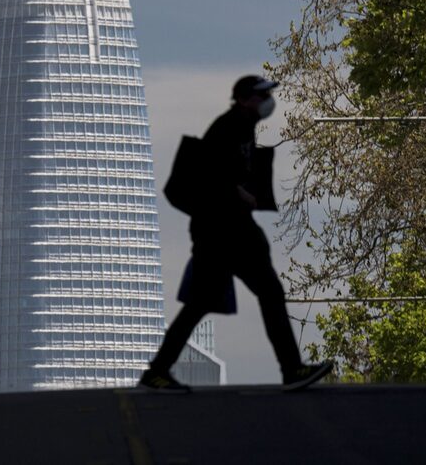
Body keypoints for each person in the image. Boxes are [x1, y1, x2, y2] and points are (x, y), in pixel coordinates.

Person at [139, 75, 332, 392]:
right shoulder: (226, 129)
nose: (268, 101)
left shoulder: (243, 127)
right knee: (226, 299)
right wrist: (240, 194)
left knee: (248, 296)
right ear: (243, 99)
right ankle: (290, 369)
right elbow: (211, 177)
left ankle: (291, 369)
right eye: (261, 96)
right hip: (220, 232)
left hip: (232, 230)